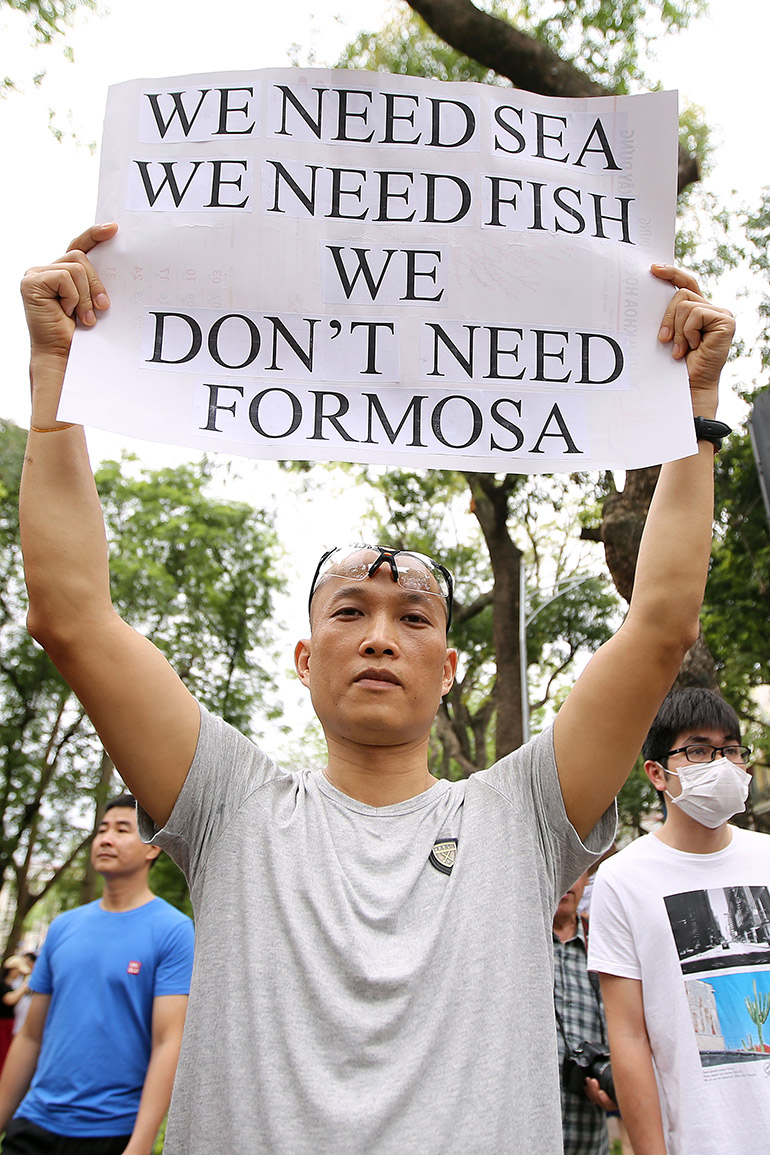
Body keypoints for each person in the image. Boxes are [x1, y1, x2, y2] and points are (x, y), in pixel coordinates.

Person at [16, 222, 734, 1154]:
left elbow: (662, 624)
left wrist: (693, 407)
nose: (382, 638)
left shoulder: (523, 811)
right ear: (306, 660)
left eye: (416, 617)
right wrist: (54, 380)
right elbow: (71, 615)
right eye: (349, 611)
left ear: (450, 670)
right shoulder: (228, 801)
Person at [588, 687, 769, 1155]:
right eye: (699, 750)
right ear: (657, 773)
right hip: (701, 1138)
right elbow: (628, 1037)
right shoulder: (623, 880)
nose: (721, 763)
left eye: (731, 749)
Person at [0, 794, 195, 1155]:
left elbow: (169, 1042)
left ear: (152, 847)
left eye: (123, 829)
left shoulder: (174, 932)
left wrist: (140, 1144)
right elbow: (29, 1036)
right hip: (32, 1124)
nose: (106, 838)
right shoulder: (62, 927)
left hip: (110, 1132)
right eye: (102, 829)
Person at [553, 871, 615, 1155]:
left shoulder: (605, 945)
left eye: (576, 871)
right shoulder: (516, 943)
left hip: (588, 1138)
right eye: (558, 868)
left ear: (587, 879)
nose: (566, 880)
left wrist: (616, 1090)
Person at [1, 957, 34, 1040]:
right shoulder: (3, 986)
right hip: (3, 1023)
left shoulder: (11, 986)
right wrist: (24, 988)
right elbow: (9, 1000)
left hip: (9, 1024)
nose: (18, 974)